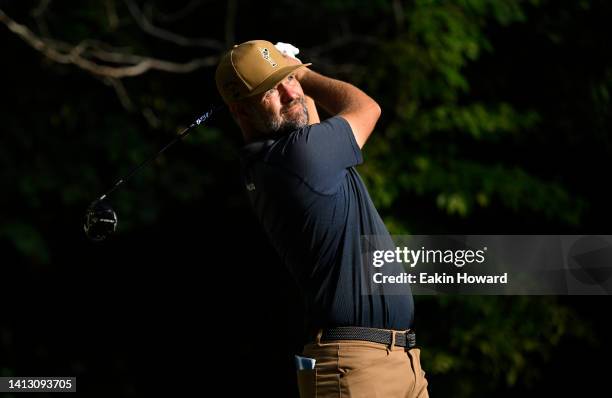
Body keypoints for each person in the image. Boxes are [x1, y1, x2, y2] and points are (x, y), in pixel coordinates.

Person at [215, 40, 429, 397]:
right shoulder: (298, 158)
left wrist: (292, 78)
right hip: (356, 369)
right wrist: (303, 74)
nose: (290, 93)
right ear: (241, 110)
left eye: (288, 80)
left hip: (394, 362)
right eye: (272, 89)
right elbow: (367, 109)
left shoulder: (277, 159)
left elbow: (306, 121)